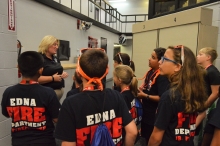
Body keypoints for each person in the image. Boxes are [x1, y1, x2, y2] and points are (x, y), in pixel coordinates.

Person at [54, 49, 137, 146]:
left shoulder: (70, 103)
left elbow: (68, 144)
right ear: (106, 71)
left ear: (79, 72)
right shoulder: (116, 96)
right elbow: (133, 132)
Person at [148, 45, 207, 146]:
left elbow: (156, 138)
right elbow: (202, 113)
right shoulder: (195, 91)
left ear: (177, 67)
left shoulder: (169, 97)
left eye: (164, 59)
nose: (159, 62)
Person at [1, 51, 61, 146]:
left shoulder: (9, 92)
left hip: (19, 142)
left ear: (19, 69)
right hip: (45, 142)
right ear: (41, 70)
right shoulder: (48, 92)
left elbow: (6, 114)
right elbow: (57, 118)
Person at [137, 47, 169, 144]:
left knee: (150, 138)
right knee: (145, 136)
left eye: (153, 57)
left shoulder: (162, 77)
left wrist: (145, 96)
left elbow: (162, 98)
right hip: (146, 112)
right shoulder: (150, 72)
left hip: (153, 116)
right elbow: (149, 88)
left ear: (160, 61)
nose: (149, 59)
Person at [196, 47, 220, 146]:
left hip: (205, 107)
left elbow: (215, 93)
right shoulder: (203, 70)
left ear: (208, 57)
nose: (197, 56)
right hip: (198, 104)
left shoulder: (213, 72)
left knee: (199, 134)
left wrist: (204, 106)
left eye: (201, 54)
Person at [38, 35, 68, 101]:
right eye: (54, 45)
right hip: (46, 93)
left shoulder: (55, 58)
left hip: (58, 91)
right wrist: (52, 78)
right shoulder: (39, 58)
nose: (57, 47)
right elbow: (35, 79)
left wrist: (62, 73)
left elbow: (55, 71)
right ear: (47, 44)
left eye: (57, 45)